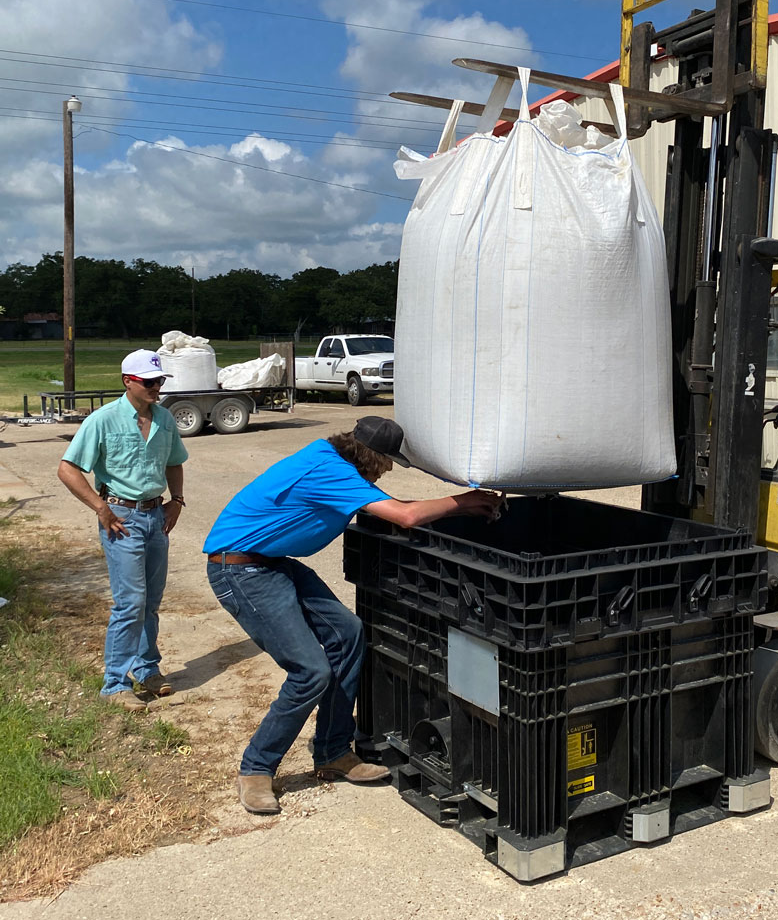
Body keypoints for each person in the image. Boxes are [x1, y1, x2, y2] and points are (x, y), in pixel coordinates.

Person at [203, 416, 501, 815]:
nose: (389, 468)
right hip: (240, 570)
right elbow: (405, 516)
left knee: (347, 632)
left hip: (272, 563)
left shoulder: (330, 459)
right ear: (371, 456)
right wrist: (464, 502)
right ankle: (256, 768)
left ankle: (332, 752)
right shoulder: (329, 471)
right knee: (310, 671)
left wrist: (455, 511)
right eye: (388, 461)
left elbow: (394, 507)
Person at [57, 349, 188, 712]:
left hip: (155, 516)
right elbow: (68, 469)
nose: (156, 389)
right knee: (130, 602)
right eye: (149, 382)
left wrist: (176, 500)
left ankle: (146, 669)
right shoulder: (103, 420)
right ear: (127, 381)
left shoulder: (164, 419)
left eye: (160, 381)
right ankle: (115, 683)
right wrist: (100, 507)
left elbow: (175, 462)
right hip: (120, 517)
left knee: (151, 601)